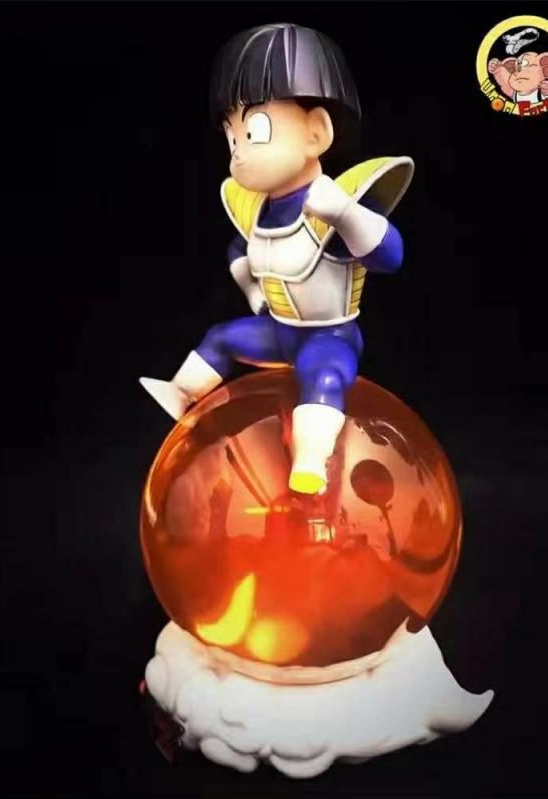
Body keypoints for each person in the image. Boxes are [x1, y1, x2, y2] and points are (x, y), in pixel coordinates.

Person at [140, 23, 414, 495]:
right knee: (221, 338)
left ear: (316, 133)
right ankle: (181, 392)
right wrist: (252, 289)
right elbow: (242, 252)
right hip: (278, 330)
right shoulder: (257, 212)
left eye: (255, 131)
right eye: (233, 137)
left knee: (324, 377)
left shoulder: (336, 206)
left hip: (329, 336)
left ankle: (310, 459)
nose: (239, 153)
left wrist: (345, 213)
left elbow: (390, 255)